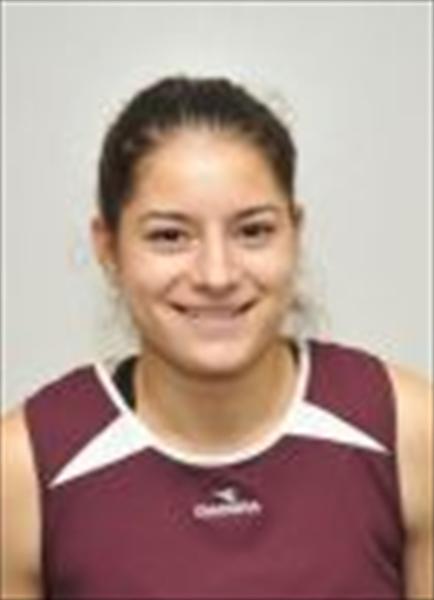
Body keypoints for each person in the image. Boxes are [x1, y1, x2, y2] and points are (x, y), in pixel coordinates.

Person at [1, 76, 432, 600]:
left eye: (253, 231)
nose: (217, 274)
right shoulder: (23, 467)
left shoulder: (409, 429)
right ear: (108, 248)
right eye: (169, 236)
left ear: (295, 232)